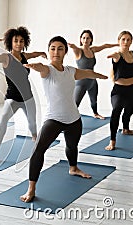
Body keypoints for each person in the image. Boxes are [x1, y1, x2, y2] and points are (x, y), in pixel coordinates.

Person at [19, 36, 108, 203]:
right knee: (38, 151)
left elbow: (87, 72)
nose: (56, 52)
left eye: (60, 48)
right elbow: (41, 68)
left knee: (72, 146)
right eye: (52, 48)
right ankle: (31, 188)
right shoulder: (47, 70)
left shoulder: (70, 71)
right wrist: (33, 66)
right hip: (54, 119)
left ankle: (73, 168)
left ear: (65, 52)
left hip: (74, 118)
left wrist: (99, 75)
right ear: (49, 51)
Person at [0, 26, 46, 164]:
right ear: (11, 42)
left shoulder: (24, 56)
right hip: (12, 98)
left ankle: (37, 147)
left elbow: (32, 54)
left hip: (28, 97)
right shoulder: (6, 57)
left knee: (33, 125)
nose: (19, 44)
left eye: (21, 41)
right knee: (3, 121)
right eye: (16, 41)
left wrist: (41, 53)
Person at [105, 31, 133, 151]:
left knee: (130, 110)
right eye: (123, 39)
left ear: (131, 41)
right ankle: (112, 141)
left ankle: (126, 129)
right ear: (119, 41)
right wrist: (112, 56)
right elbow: (115, 56)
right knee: (116, 112)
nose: (125, 42)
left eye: (128, 39)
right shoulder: (118, 55)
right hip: (119, 91)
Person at [68, 30, 118, 120]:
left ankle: (96, 114)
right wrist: (72, 46)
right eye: (83, 38)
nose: (85, 40)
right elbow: (74, 47)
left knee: (94, 100)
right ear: (81, 39)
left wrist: (118, 44)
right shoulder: (79, 51)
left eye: (87, 38)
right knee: (75, 104)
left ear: (91, 39)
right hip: (81, 83)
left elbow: (105, 46)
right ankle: (66, 122)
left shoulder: (92, 50)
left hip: (92, 82)